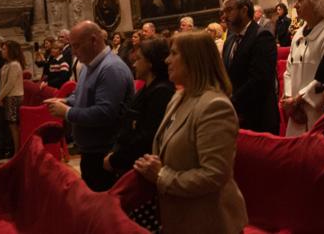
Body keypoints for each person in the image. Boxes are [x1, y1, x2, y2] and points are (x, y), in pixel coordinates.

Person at [133, 32, 248, 234]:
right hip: (179, 217)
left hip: (209, 222)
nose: (167, 60)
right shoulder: (179, 97)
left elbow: (214, 175)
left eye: (174, 54)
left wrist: (161, 175)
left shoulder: (214, 106)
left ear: (194, 60)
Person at [44, 20, 134, 192]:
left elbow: (105, 113)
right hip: (90, 150)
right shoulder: (88, 65)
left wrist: (68, 113)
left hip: (104, 152)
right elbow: (80, 94)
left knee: (104, 209)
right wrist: (66, 101)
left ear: (93, 41)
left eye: (77, 45)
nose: (74, 51)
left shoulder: (110, 68)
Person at [106, 38, 175, 175]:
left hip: (141, 164)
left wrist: (115, 159)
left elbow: (146, 136)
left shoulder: (161, 91)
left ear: (150, 62)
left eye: (138, 59)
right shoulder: (148, 87)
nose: (134, 64)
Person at [281, 0, 324, 136]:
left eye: (300, 0)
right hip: (295, 112)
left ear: (316, 2)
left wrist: (299, 100)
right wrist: (289, 99)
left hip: (317, 110)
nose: (295, 5)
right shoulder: (299, 33)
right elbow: (288, 70)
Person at [219, 0, 280, 134]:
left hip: (259, 117)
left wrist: (232, 102)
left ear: (244, 10)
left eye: (229, 10)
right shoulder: (229, 40)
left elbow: (260, 80)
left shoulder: (262, 36)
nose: (224, 16)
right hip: (236, 116)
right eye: (223, 12)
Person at [0, 40, 25, 157]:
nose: (2, 51)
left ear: (11, 51)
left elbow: (10, 84)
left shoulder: (14, 64)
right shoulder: (7, 64)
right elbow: (2, 82)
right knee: (10, 125)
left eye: (4, 49)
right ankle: (15, 150)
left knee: (13, 126)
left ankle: (17, 152)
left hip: (14, 97)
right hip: (8, 97)